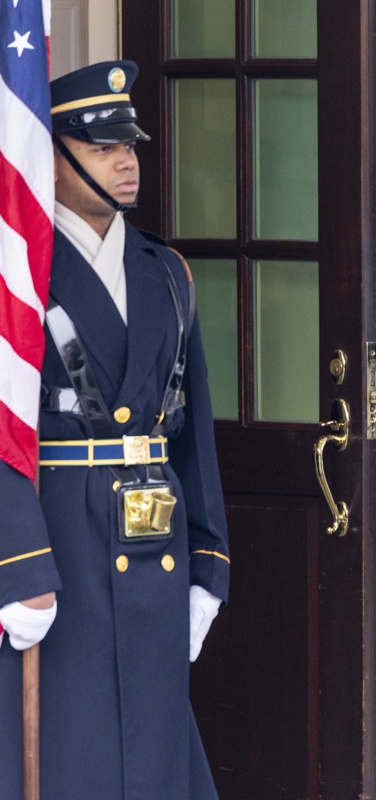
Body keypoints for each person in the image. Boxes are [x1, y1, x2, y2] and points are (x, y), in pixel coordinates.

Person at [0, 61, 230, 798]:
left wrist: (209, 559)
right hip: (60, 536)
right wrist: (18, 563)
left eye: (129, 144)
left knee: (153, 749)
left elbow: (191, 432)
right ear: (53, 157)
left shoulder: (166, 271)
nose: (127, 160)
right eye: (102, 147)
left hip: (152, 533)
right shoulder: (19, 273)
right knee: (76, 745)